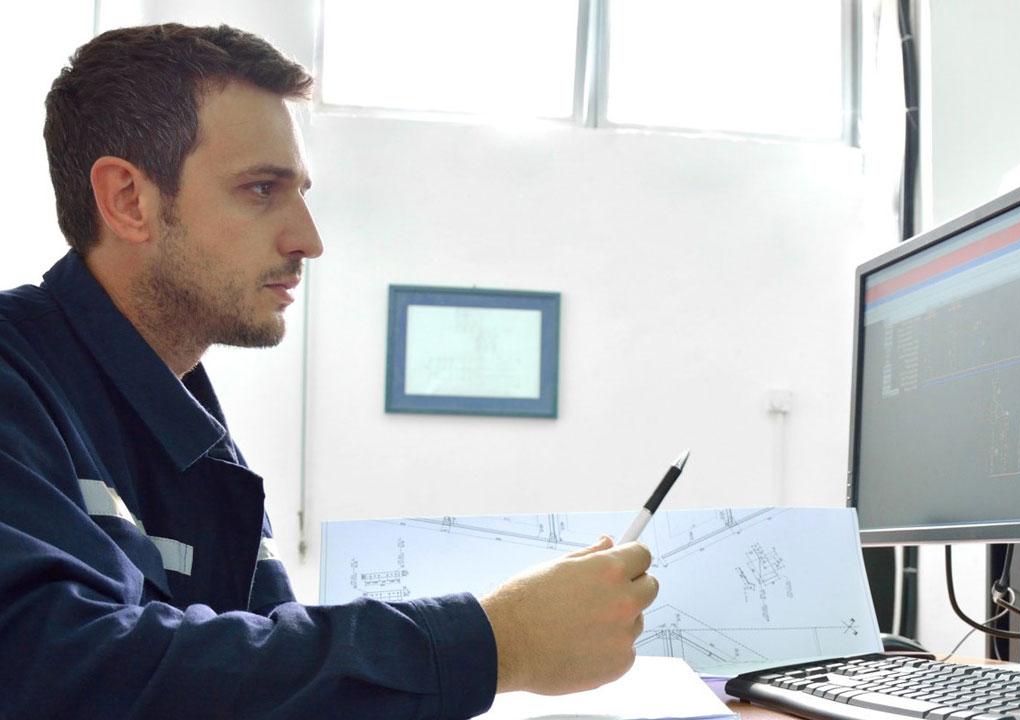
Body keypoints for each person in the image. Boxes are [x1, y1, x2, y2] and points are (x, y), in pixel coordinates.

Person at [0, 23, 658, 719]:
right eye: (260, 190)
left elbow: (260, 676)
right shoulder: (18, 381)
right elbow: (55, 668)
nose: (307, 240)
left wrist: (501, 636)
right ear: (129, 200)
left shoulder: (189, 434)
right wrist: (494, 642)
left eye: (300, 192)